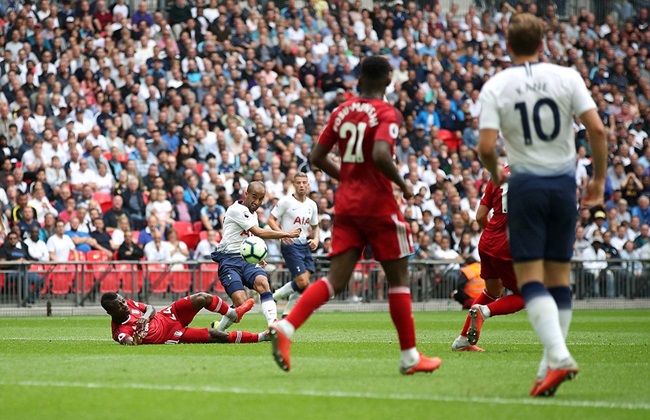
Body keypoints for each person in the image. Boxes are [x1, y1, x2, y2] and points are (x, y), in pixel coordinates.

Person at [269, 56, 441, 374]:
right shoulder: (388, 112)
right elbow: (379, 153)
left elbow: (316, 156)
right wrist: (404, 184)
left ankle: (287, 327)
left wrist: (346, 179)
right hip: (378, 204)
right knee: (399, 280)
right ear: (389, 79)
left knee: (335, 279)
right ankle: (409, 357)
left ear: (360, 78)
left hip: (347, 204)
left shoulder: (341, 111)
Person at [477, 13, 607, 397]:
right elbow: (597, 129)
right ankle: (548, 366)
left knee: (532, 279)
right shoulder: (567, 77)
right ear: (542, 42)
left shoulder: (498, 85)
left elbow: (486, 147)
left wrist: (494, 174)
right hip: (564, 184)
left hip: (528, 185)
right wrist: (597, 181)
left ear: (507, 42)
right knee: (559, 280)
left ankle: (559, 357)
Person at [451, 164, 525, 352]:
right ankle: (485, 311)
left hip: (488, 242)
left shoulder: (499, 174)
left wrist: (496, 231)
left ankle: (463, 341)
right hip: (509, 245)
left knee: (492, 291)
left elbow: (480, 216)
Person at [210, 181, 301, 331]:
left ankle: (273, 326)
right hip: (229, 260)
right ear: (246, 194)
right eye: (254, 197)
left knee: (263, 284)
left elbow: (252, 237)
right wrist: (286, 233)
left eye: (261, 198)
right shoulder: (236, 210)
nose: (257, 202)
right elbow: (259, 232)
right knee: (241, 303)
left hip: (246, 260)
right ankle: (218, 329)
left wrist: (259, 256)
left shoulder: (253, 215)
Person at [100, 292, 267, 345]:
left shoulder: (129, 303)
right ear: (110, 312)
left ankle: (234, 314)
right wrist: (134, 340)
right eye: (120, 306)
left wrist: (145, 317)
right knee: (217, 335)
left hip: (168, 314)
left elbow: (150, 308)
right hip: (172, 335)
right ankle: (262, 337)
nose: (125, 305)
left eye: (123, 301)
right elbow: (128, 341)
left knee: (202, 297)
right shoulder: (119, 330)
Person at [268, 172, 319, 318]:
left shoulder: (312, 205)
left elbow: (316, 226)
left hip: (305, 245)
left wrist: (316, 239)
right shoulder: (286, 202)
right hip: (290, 244)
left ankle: (286, 314)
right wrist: (283, 234)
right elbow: (270, 220)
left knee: (303, 283)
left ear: (308, 185)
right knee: (302, 282)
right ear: (294, 184)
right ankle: (275, 297)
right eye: (298, 183)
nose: (301, 185)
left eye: (304, 182)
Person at [0, 231, 45, 305]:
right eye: (10, 239)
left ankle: (32, 297)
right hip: (10, 273)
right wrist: (17, 261)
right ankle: (27, 300)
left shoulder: (21, 250)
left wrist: (26, 263)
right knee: (22, 277)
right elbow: (2, 263)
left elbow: (28, 262)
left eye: (14, 238)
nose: (12, 240)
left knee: (40, 279)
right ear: (7, 240)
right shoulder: (3, 249)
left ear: (18, 239)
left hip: (24, 271)